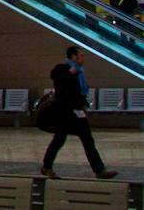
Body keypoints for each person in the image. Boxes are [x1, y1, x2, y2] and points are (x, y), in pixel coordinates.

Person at [41, 46, 117, 180]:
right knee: (64, 139)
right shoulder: (63, 68)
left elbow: (79, 92)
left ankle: (99, 170)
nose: (83, 58)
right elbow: (56, 78)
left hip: (76, 111)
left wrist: (83, 105)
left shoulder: (79, 71)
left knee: (82, 139)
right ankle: (47, 167)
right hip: (65, 112)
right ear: (73, 57)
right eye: (81, 55)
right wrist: (71, 73)